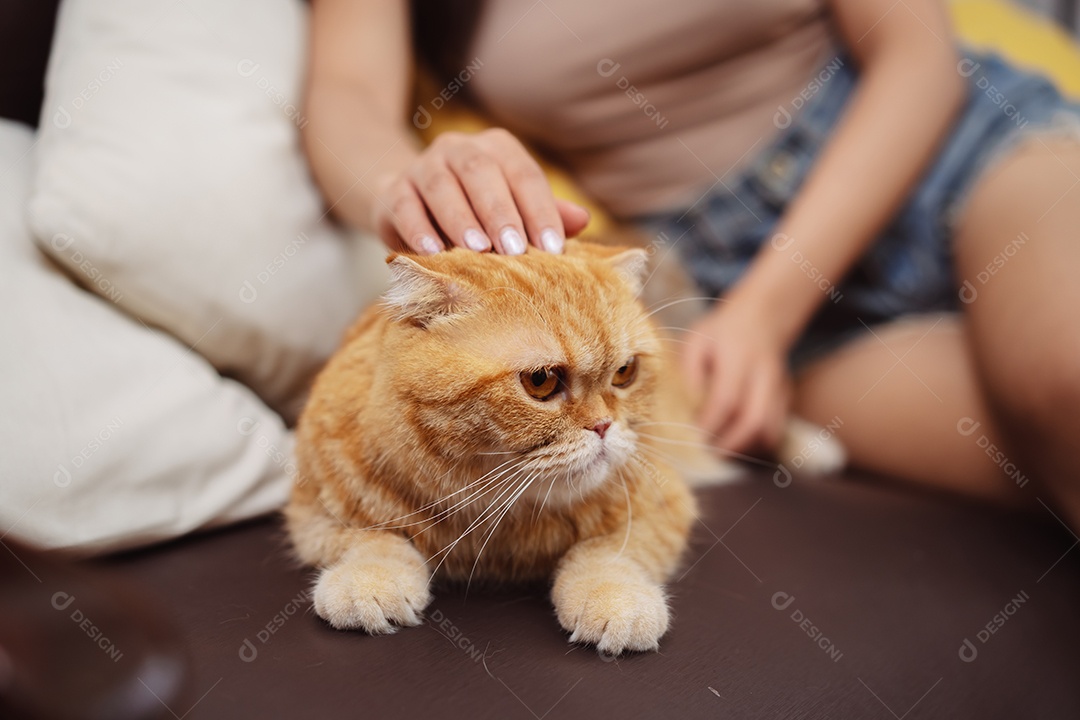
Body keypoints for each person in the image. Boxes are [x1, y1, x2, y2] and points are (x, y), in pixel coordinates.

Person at [301, 0, 1080, 530]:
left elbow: (919, 59)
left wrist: (769, 309)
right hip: (724, 299)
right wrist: (405, 185)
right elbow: (345, 97)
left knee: (1067, 379)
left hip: (953, 158)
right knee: (1043, 463)